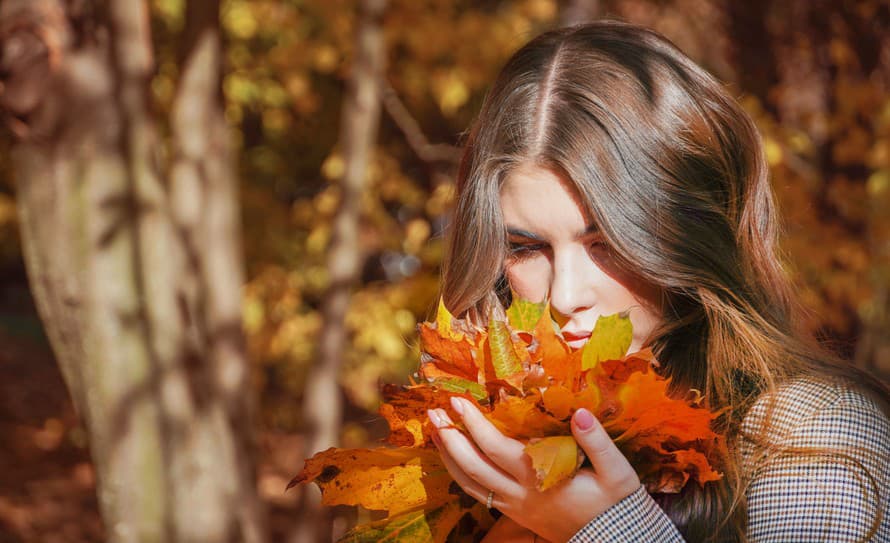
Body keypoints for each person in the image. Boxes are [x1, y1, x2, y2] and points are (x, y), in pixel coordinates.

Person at [424, 20, 890, 542]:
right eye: (527, 248)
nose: (565, 295)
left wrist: (607, 528)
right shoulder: (479, 447)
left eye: (607, 244)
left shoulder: (810, 436)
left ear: (687, 237)